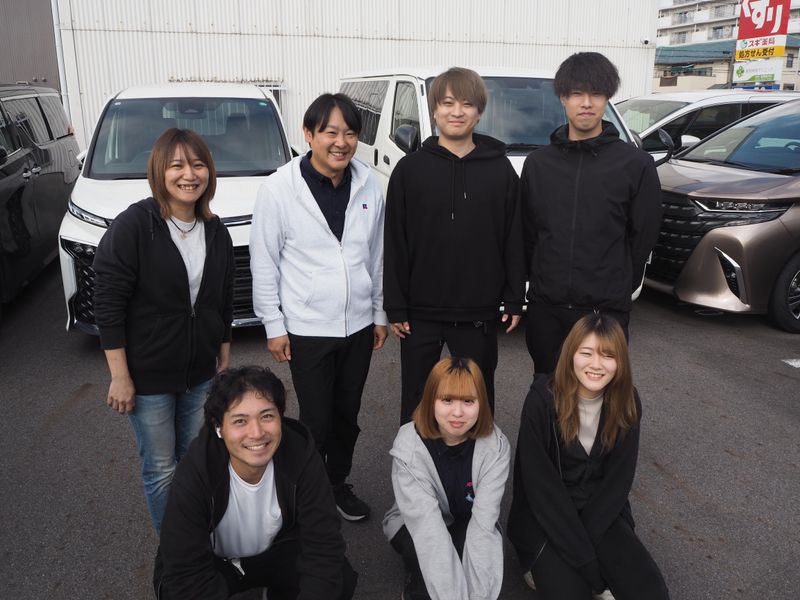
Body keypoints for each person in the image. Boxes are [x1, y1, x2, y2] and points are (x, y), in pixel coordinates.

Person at [250, 93, 387, 521]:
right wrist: (273, 324)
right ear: (308, 134)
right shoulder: (279, 188)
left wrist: (379, 312)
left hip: (359, 325)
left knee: (347, 415)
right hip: (307, 327)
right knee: (316, 419)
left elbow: (377, 256)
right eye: (330, 132)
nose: (341, 142)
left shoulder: (369, 185)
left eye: (350, 133)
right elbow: (264, 261)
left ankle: (336, 483)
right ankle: (305, 491)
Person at [93, 128, 234, 534]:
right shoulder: (135, 226)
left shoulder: (215, 230)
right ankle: (174, 554)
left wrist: (223, 348)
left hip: (199, 373)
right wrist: (120, 376)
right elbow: (108, 303)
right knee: (160, 468)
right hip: (148, 377)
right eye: (177, 166)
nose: (189, 175)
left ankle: (195, 540)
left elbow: (224, 295)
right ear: (159, 171)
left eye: (198, 164)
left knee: (193, 462)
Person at [384, 67, 525, 424]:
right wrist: (395, 305)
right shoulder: (409, 170)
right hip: (420, 313)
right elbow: (395, 240)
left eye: (466, 104)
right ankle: (414, 461)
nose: (456, 112)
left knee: (476, 400)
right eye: (447, 103)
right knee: (417, 402)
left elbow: (513, 236)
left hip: (478, 311)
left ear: (479, 112)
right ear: (434, 110)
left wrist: (514, 297)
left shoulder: (500, 171)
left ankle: (475, 462)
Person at [155, 366, 357, 599]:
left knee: (339, 579)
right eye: (240, 421)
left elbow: (324, 545)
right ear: (218, 427)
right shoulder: (197, 470)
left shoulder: (301, 455)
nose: (257, 432)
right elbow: (185, 572)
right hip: (214, 562)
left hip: (276, 551)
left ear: (280, 417)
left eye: (267, 416)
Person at [507, 313, 670, 600]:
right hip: (548, 518)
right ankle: (540, 564)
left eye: (608, 355)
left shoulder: (627, 402)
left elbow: (617, 484)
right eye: (586, 353)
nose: (596, 364)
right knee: (570, 592)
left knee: (651, 591)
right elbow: (540, 489)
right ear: (571, 354)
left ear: (620, 362)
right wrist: (590, 566)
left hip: (601, 512)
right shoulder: (541, 400)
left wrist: (593, 554)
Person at [521, 52, 662, 376]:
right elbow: (528, 232)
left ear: (607, 97)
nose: (586, 103)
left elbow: (643, 235)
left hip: (605, 309)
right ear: (563, 98)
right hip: (547, 307)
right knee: (546, 386)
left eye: (596, 93)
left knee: (599, 391)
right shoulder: (538, 164)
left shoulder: (635, 164)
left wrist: (616, 286)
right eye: (576, 94)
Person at [383, 357, 510, 600]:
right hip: (415, 523)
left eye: (468, 401)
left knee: (475, 552)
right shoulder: (408, 446)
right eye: (447, 400)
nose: (458, 412)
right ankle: (416, 578)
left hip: (468, 519)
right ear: (431, 400)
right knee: (419, 551)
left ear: (481, 403)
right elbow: (428, 528)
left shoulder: (496, 447)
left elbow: (484, 524)